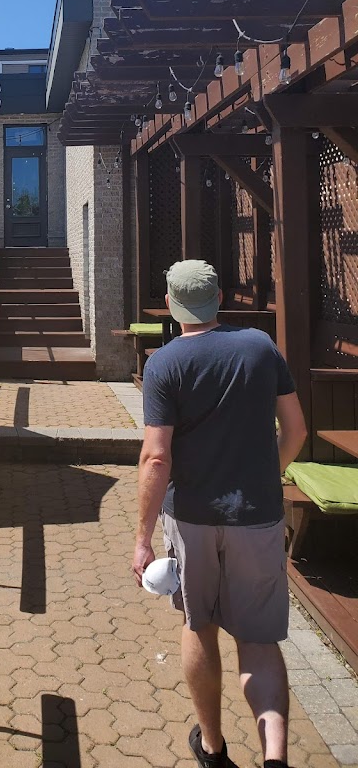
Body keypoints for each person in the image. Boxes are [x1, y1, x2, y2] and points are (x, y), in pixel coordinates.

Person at [131, 259, 308, 768]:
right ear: (220, 298)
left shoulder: (164, 363)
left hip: (191, 516)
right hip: (258, 516)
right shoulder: (260, 347)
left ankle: (212, 747)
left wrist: (142, 539)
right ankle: (275, 758)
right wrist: (267, 476)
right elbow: (296, 430)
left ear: (171, 305)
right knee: (258, 641)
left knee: (199, 624)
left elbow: (156, 457)